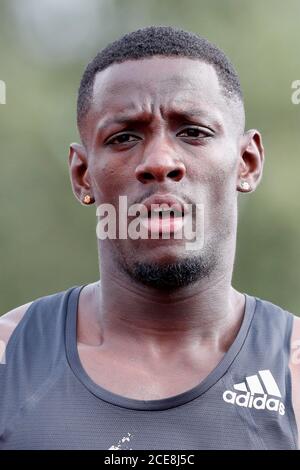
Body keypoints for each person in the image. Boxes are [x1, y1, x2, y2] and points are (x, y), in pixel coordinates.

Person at [0, 26, 299, 450]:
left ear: (246, 162)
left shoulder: (293, 370)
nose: (159, 162)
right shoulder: (10, 361)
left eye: (193, 131)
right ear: (82, 174)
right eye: (124, 137)